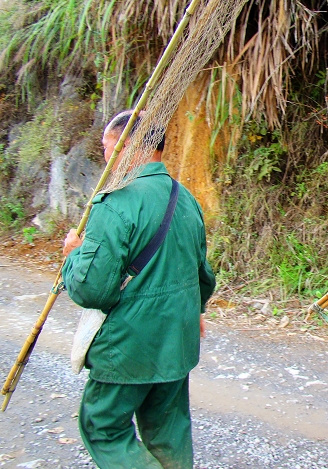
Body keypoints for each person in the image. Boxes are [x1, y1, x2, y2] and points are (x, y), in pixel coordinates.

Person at [62, 110, 216, 469]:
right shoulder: (186, 200)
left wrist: (72, 257)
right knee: (168, 431)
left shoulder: (115, 203)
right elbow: (202, 275)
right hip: (176, 341)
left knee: (103, 427)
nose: (104, 155)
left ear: (127, 145)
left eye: (107, 146)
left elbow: (93, 291)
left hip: (129, 347)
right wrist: (196, 311)